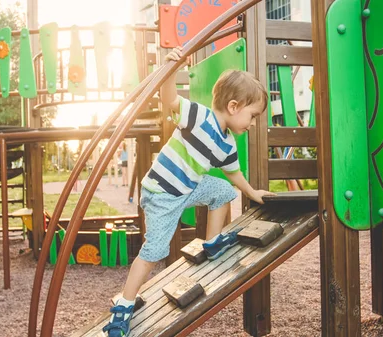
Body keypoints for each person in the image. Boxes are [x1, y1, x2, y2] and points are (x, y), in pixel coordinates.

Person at [102, 46, 275, 337]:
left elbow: (234, 176)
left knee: (222, 191)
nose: (254, 123)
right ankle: (124, 304)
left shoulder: (228, 143)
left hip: (188, 187)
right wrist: (170, 69)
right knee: (155, 250)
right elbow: (169, 99)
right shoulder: (197, 115)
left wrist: (252, 192)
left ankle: (212, 242)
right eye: (253, 115)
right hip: (162, 192)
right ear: (233, 107)